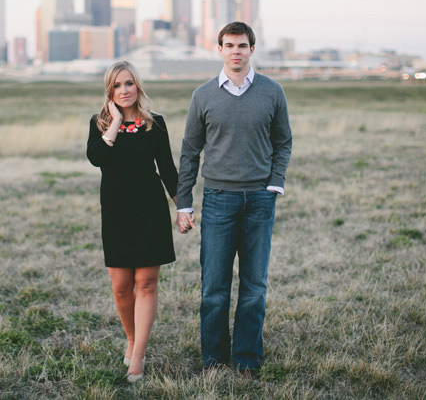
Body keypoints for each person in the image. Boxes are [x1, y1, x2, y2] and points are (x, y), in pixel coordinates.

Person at [176, 21, 292, 379]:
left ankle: (246, 359)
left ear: (252, 49)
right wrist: (184, 202)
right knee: (214, 285)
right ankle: (213, 359)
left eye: (242, 45)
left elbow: (283, 142)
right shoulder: (204, 95)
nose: (236, 51)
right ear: (220, 50)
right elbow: (190, 150)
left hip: (260, 199)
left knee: (255, 286)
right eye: (229, 45)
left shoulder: (272, 92)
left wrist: (274, 184)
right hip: (219, 199)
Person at [86, 61, 179, 383]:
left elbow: (168, 171)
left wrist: (183, 208)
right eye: (117, 86)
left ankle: (138, 354)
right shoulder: (98, 124)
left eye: (129, 83)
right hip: (116, 211)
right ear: (109, 92)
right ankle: (130, 337)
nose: (124, 90)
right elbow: (97, 158)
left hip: (150, 210)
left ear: (137, 86)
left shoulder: (156, 124)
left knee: (147, 283)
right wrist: (113, 124)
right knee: (122, 287)